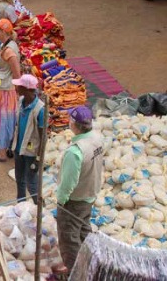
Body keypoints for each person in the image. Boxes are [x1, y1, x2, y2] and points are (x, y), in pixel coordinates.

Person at [56, 106, 104, 271]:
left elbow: (68, 182)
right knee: (84, 233)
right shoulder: (97, 139)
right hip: (89, 196)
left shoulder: (75, 151)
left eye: (71, 119)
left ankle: (76, 272)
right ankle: (91, 267)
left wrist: (61, 201)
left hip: (74, 201)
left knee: (69, 240)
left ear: (74, 124)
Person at [0, 18, 21, 162]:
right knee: (2, 119)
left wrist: (17, 91)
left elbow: (17, 74)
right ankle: (4, 146)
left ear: (3, 32)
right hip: (1, 89)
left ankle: (2, 153)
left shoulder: (9, 51)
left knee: (3, 120)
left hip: (5, 91)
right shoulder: (5, 45)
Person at [11, 74, 45, 204]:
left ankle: (40, 208)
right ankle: (21, 206)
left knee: (31, 183)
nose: (17, 87)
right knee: (19, 180)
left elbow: (43, 137)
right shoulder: (21, 101)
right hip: (19, 149)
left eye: (19, 86)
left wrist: (38, 158)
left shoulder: (40, 110)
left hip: (31, 153)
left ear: (26, 89)